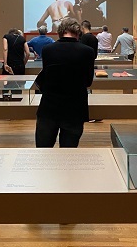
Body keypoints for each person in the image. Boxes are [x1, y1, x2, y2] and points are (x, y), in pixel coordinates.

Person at [35, 17, 95, 148]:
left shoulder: (48, 50)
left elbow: (46, 77)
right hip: (75, 107)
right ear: (78, 32)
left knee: (43, 150)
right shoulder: (87, 52)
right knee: (69, 152)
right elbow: (88, 81)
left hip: (49, 107)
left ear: (60, 31)